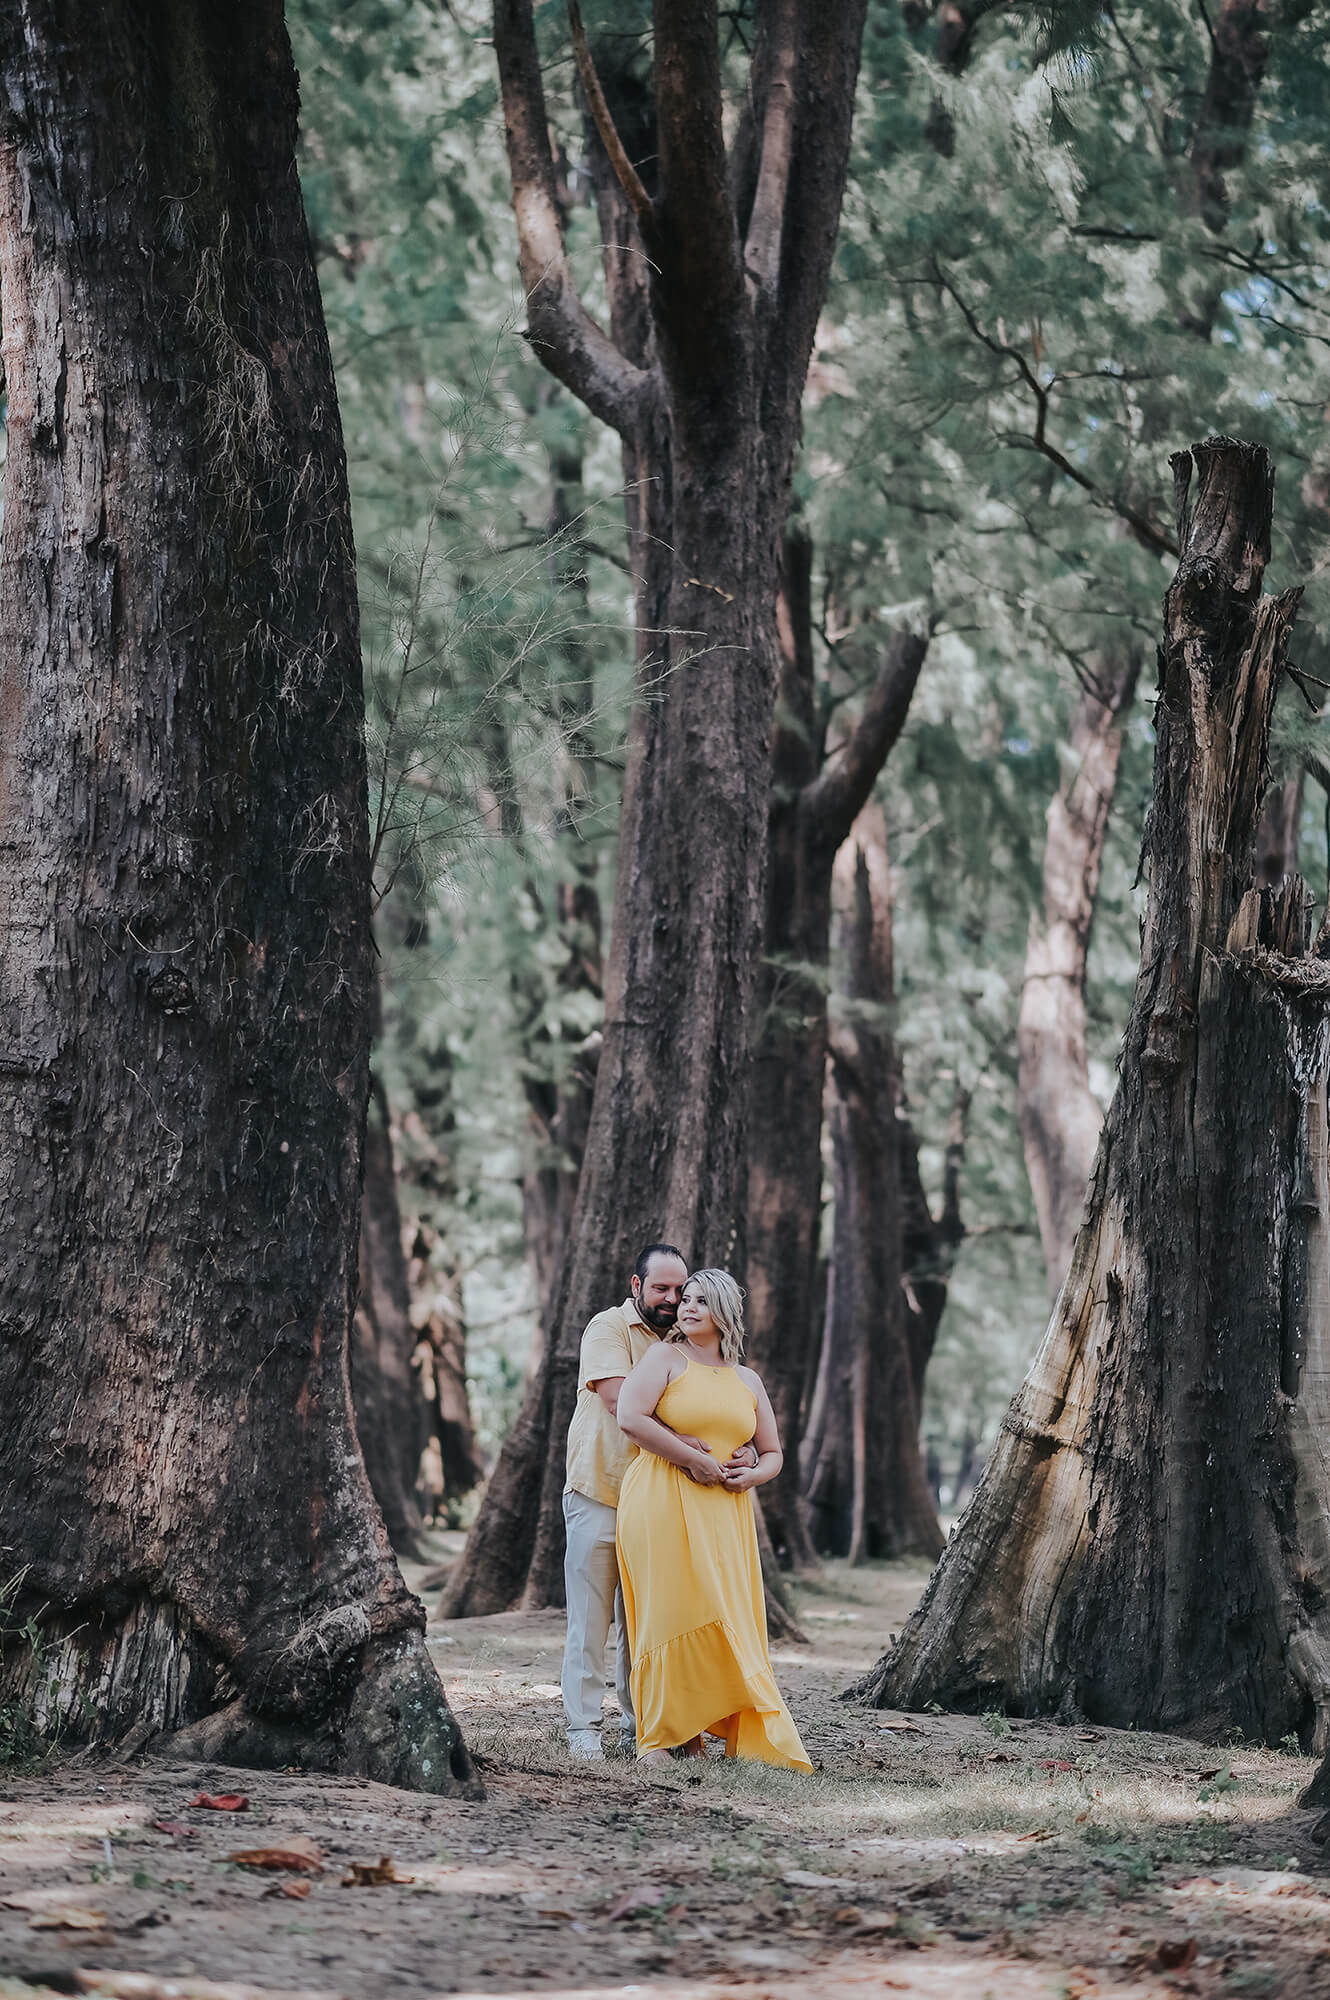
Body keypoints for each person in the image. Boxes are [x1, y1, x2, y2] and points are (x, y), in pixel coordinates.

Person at [560, 1244, 758, 1759]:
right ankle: (583, 1729)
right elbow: (618, 1400)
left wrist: (736, 1446)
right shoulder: (608, 1328)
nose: (674, 1300)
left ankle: (640, 1724)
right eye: (662, 1290)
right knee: (591, 1615)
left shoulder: (685, 1340)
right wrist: (690, 1446)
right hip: (602, 1490)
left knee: (647, 1618)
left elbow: (715, 1397)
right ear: (636, 1286)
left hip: (666, 1504)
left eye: (682, 1291)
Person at [615, 1268, 812, 1770]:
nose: (687, 1306)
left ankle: (728, 1728)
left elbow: (772, 1452)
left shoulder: (747, 1379)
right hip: (661, 1497)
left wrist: (752, 1476)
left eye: (701, 1300)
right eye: (685, 1298)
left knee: (727, 1612)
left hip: (726, 1511)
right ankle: (658, 1738)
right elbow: (630, 1418)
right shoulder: (665, 1357)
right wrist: (690, 1457)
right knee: (669, 1611)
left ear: (723, 1311)